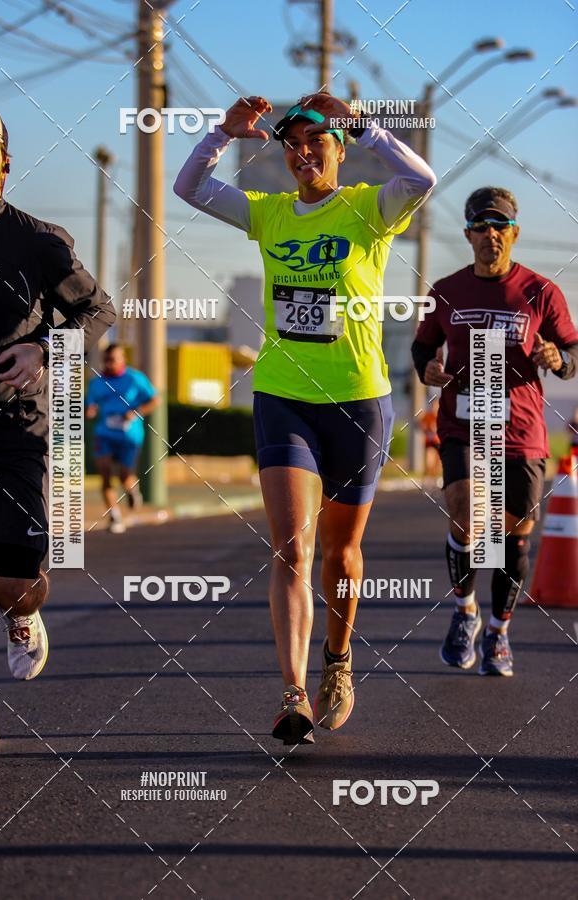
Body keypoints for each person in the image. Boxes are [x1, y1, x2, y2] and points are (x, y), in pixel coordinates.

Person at [175, 92, 436, 743]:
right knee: (292, 548)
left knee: (341, 555)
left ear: (338, 150)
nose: (302, 152)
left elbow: (421, 180)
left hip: (359, 400)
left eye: (315, 141)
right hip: (284, 394)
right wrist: (222, 132)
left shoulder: (369, 211)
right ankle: (293, 691)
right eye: (291, 143)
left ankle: (338, 661)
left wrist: (363, 124)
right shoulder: (268, 216)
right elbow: (189, 187)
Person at [0, 103, 115, 740]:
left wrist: (45, 347)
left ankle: (23, 613)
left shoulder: (38, 239)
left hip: (13, 431)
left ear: (5, 160)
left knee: (13, 582)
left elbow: (97, 311)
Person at [412, 187, 578, 677]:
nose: (491, 235)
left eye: (499, 225)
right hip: (463, 423)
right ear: (468, 234)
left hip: (521, 431)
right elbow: (423, 350)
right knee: (465, 517)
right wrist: (428, 370)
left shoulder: (541, 292)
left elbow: (572, 352)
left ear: (514, 232)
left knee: (512, 535)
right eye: (481, 227)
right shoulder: (446, 290)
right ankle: (465, 610)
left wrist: (559, 360)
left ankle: (499, 631)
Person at [86, 344, 159, 533]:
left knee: (125, 476)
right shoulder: (96, 383)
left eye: (113, 360)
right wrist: (90, 410)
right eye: (106, 360)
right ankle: (114, 516)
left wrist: (137, 412)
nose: (109, 364)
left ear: (123, 359)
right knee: (105, 474)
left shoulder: (135, 379)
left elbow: (155, 399)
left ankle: (132, 490)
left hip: (130, 436)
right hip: (105, 434)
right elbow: (90, 405)